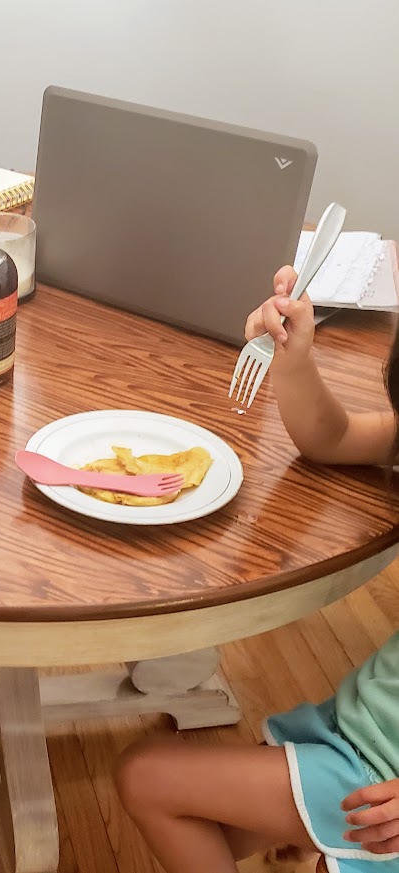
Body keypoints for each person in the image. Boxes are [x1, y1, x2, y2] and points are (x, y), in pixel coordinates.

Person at [116, 265, 399, 873]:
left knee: (148, 778)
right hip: (362, 727)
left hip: (378, 772)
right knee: (217, 814)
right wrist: (295, 361)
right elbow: (334, 438)